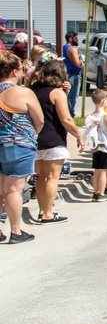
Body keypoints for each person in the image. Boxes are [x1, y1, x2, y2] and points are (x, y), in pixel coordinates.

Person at [29, 57, 85, 223]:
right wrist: (79, 135)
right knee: (53, 178)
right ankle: (48, 213)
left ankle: (41, 210)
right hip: (54, 138)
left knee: (41, 177)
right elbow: (66, 119)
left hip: (36, 138)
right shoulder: (56, 93)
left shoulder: (33, 90)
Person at [0, 51, 43, 243]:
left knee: (1, 189)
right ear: (15, 71)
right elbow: (39, 120)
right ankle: (16, 231)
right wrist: (33, 135)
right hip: (18, 144)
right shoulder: (22, 92)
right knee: (13, 190)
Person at [86, 88, 107, 202]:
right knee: (103, 171)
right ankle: (100, 192)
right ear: (103, 100)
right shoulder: (106, 116)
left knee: (97, 170)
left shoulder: (91, 116)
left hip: (95, 146)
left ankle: (95, 192)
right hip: (106, 145)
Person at [62, 31, 83, 118]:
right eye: (75, 38)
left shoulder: (64, 48)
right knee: (72, 96)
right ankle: (70, 114)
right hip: (73, 75)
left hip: (66, 73)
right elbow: (77, 63)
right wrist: (83, 64)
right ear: (70, 39)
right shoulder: (72, 49)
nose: (77, 40)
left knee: (66, 95)